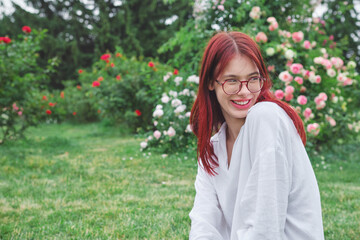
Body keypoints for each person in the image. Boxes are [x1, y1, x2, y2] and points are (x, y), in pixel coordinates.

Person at [189, 32, 324, 240]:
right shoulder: (212, 150)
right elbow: (203, 224)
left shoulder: (266, 118)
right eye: (231, 81)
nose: (244, 92)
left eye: (253, 79)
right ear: (210, 82)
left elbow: (266, 228)